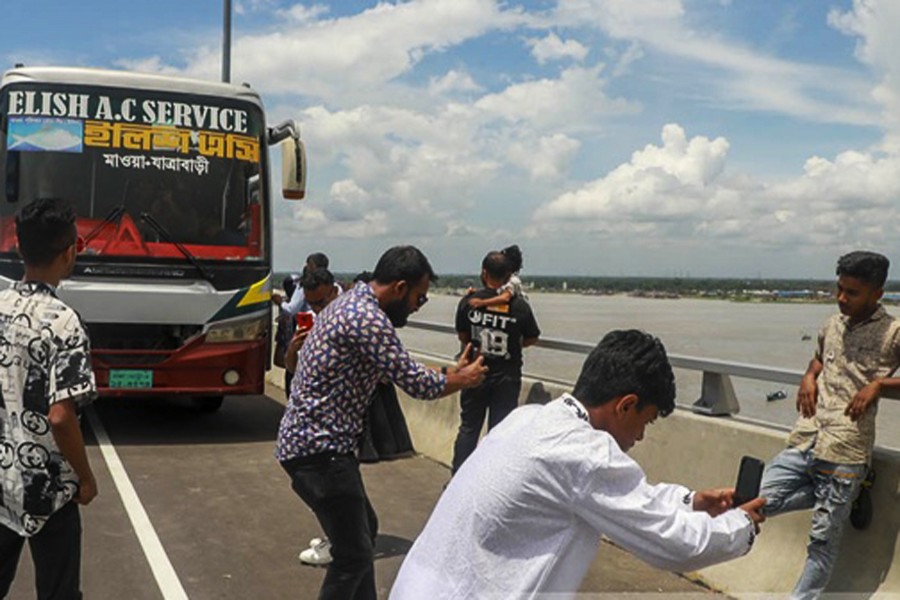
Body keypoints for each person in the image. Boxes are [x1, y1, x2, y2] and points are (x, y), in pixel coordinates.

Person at [390, 329, 766, 600]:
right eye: (645, 421)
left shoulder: (530, 419)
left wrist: (690, 502)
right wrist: (742, 525)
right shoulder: (585, 453)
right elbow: (674, 545)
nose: (641, 436)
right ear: (625, 405)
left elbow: (615, 498)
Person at [276, 245, 488, 600]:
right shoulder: (367, 318)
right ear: (400, 288)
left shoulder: (349, 303)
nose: (417, 307)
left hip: (315, 447)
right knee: (353, 555)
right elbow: (419, 384)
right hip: (319, 450)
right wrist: (463, 380)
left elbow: (404, 370)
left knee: (363, 535)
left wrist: (453, 372)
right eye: (419, 299)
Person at [759, 251, 900, 600]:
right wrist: (809, 376)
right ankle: (846, 494)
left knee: (821, 543)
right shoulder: (831, 324)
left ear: (876, 293)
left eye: (852, 292)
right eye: (839, 288)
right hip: (807, 438)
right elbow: (819, 359)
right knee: (755, 501)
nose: (841, 298)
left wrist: (879, 385)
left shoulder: (894, 333)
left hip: (845, 451)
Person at [0, 198, 99, 599]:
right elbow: (61, 417)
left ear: (19, 247)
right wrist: (86, 478)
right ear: (70, 251)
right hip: (49, 490)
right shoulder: (64, 322)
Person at [451, 248, 540, 473]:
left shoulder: (469, 302)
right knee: (499, 433)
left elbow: (463, 336)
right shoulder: (519, 306)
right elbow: (532, 337)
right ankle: (491, 478)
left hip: (474, 374)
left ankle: (458, 478)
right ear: (508, 275)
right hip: (507, 378)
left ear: (483, 273)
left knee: (469, 429)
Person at [467, 244, 527, 310]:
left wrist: (481, 302)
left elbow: (505, 298)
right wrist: (477, 292)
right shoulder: (507, 280)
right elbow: (497, 292)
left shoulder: (513, 280)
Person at [280, 252, 332, 318]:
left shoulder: (304, 285)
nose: (306, 267)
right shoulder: (330, 283)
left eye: (309, 265)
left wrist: (280, 302)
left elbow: (292, 309)